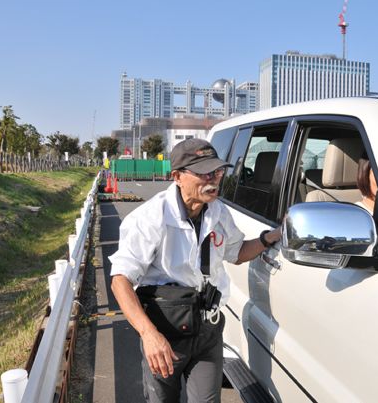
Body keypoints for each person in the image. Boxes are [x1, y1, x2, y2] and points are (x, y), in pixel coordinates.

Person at [109, 138, 281, 403]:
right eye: (204, 173)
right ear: (177, 176)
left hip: (207, 331)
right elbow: (120, 280)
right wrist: (149, 334)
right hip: (166, 332)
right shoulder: (150, 217)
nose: (214, 179)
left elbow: (236, 253)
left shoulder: (218, 211)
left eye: (218, 171)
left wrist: (269, 238)